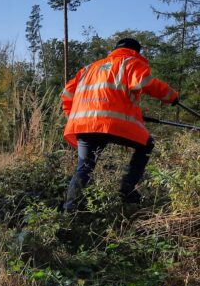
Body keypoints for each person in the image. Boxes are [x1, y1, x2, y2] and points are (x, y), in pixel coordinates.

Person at [61, 37, 179, 211]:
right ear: (136, 51)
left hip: (84, 125)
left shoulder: (89, 68)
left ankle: (69, 210)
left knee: (84, 167)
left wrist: (79, 117)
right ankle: (127, 190)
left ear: (115, 49)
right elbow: (146, 83)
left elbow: (67, 94)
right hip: (112, 125)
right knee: (147, 144)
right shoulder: (131, 62)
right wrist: (172, 97)